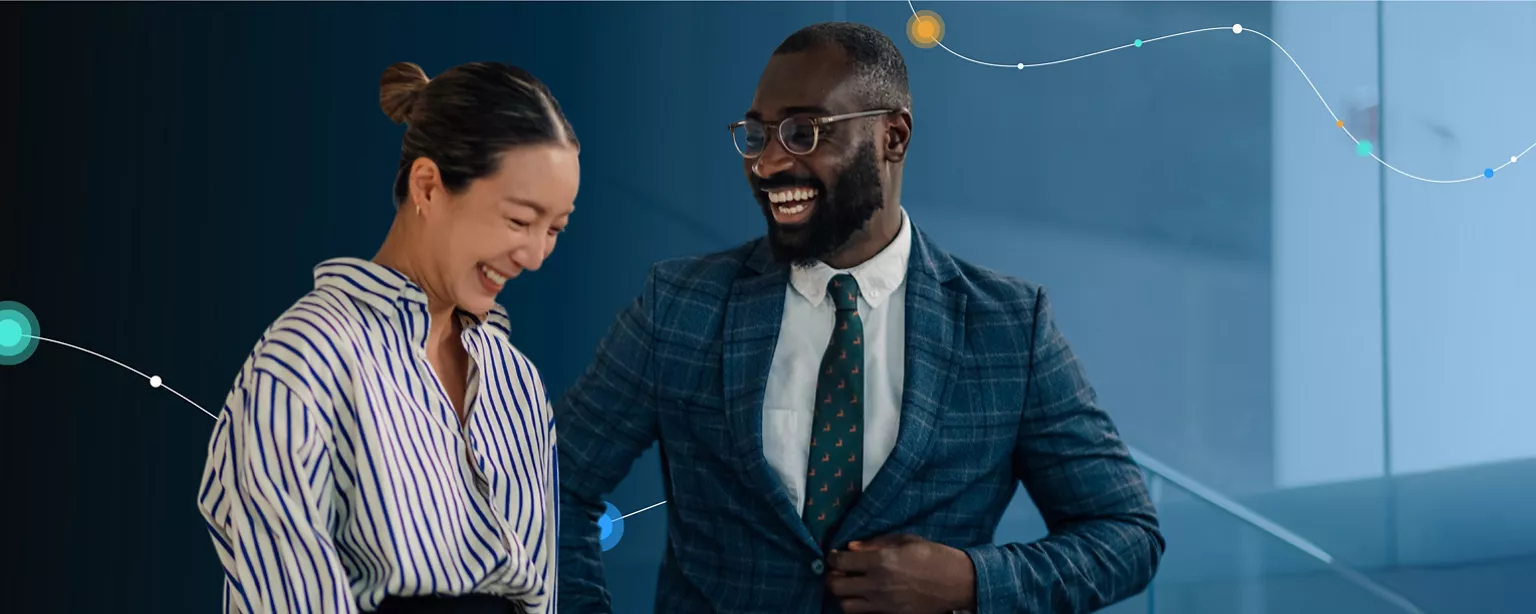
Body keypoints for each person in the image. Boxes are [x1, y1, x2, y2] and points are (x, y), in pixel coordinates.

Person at [555, 22, 1164, 614]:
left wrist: (973, 583)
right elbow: (554, 486)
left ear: (893, 137)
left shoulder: (1008, 326)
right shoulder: (681, 304)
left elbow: (1126, 534)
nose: (767, 164)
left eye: (802, 132)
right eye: (757, 134)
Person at [196, 61, 579, 614]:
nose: (535, 256)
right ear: (427, 186)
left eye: (555, 230)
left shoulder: (515, 380)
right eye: (519, 221)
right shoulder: (305, 358)